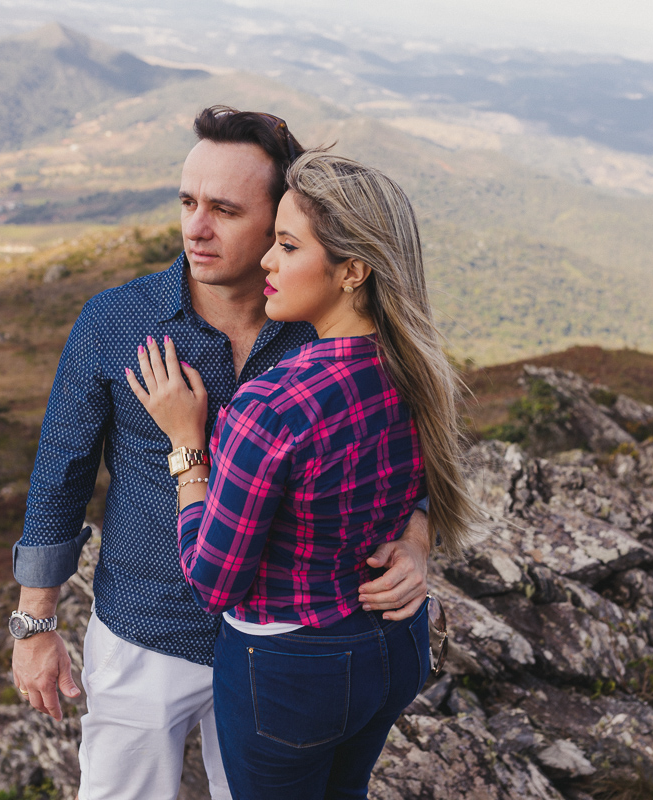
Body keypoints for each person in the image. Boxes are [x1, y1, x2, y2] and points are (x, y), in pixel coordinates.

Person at [10, 108, 433, 800]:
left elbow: (403, 456)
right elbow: (59, 477)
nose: (195, 228)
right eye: (187, 203)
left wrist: (415, 538)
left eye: (225, 210)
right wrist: (35, 623)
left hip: (282, 650)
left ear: (281, 220)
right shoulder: (116, 323)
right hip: (145, 632)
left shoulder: (327, 331)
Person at [125, 150, 482, 799]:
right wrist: (420, 530)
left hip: (289, 673)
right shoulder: (415, 372)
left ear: (351, 270)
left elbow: (214, 578)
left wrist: (186, 445)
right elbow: (415, 485)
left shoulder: (270, 408)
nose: (266, 260)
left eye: (287, 246)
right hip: (394, 648)